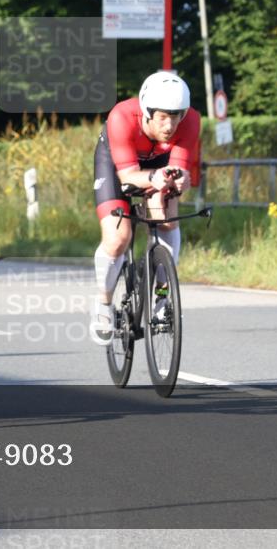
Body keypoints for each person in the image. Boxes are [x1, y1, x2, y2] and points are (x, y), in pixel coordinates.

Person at [89, 71, 202, 346]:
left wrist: (180, 180)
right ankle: (103, 304)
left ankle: (162, 298)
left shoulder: (190, 122)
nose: (170, 124)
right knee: (118, 238)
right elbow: (128, 177)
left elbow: (179, 170)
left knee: (167, 219)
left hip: (159, 164)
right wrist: (153, 178)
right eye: (163, 116)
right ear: (147, 111)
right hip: (118, 165)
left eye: (176, 116)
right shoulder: (121, 117)